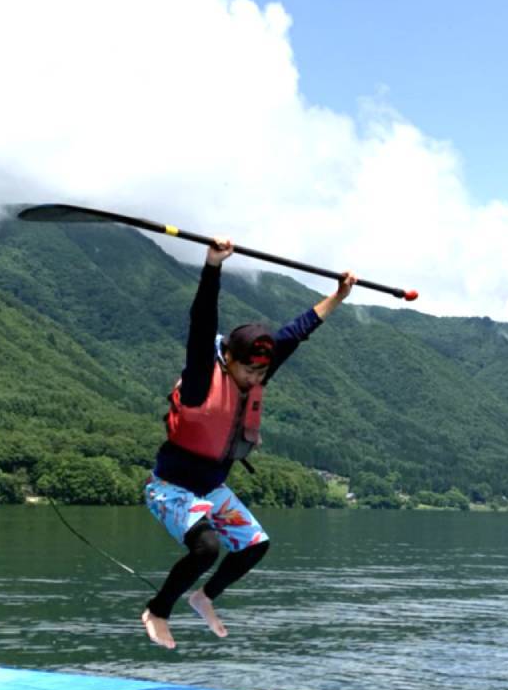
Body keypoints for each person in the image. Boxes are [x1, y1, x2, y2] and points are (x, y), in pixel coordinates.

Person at [140, 237, 356, 649]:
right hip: (170, 488)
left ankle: (203, 597)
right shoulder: (204, 376)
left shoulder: (256, 370)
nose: (257, 380)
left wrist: (338, 297)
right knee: (206, 548)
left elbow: (296, 332)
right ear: (229, 359)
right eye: (250, 373)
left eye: (263, 373)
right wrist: (212, 266)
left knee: (255, 545)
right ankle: (157, 610)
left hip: (211, 489)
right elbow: (202, 320)